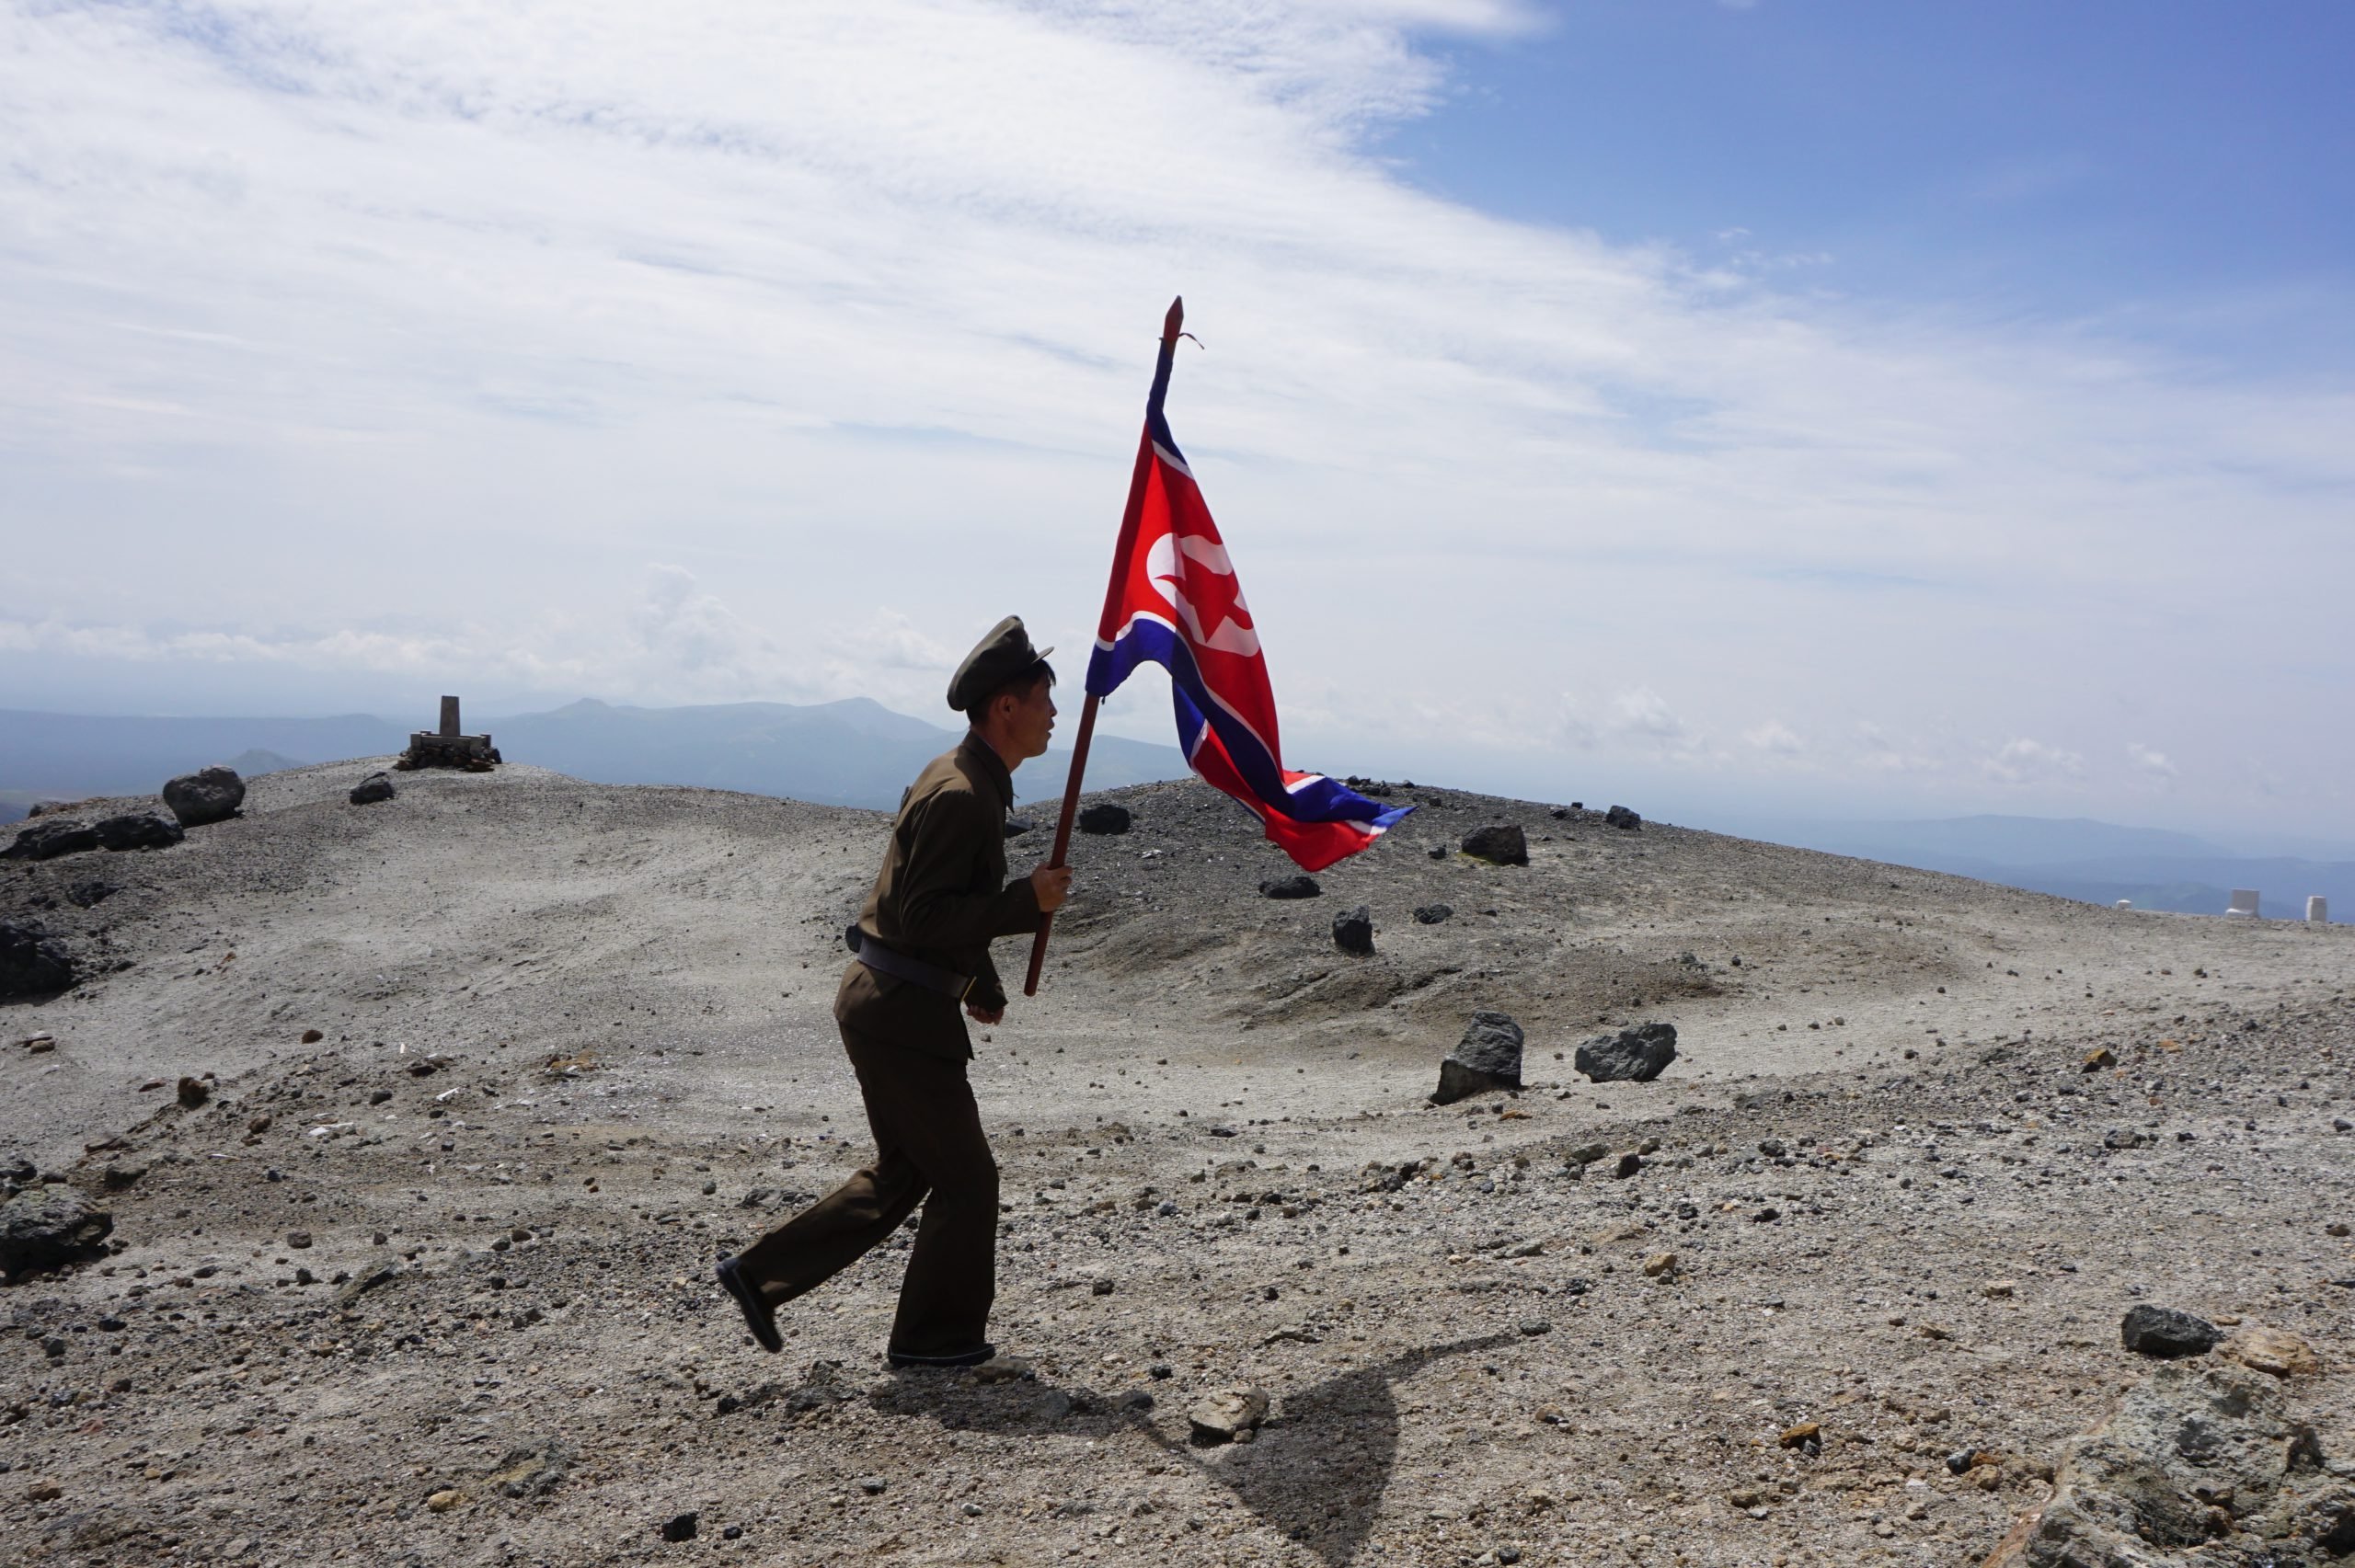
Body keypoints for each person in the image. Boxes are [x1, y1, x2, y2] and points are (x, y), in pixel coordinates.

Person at [715, 615, 1074, 1368]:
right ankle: (934, 1342)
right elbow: (923, 914)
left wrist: (980, 979)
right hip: (901, 1014)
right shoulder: (962, 794)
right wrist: (1025, 902)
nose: (1053, 712)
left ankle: (758, 1276)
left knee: (912, 1169)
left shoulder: (969, 778)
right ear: (1004, 706)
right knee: (969, 1181)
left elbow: (930, 909)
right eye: (1044, 696)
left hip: (894, 1003)